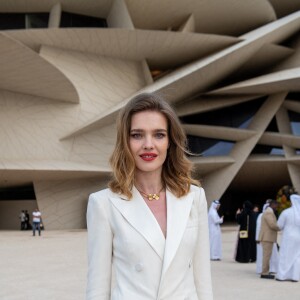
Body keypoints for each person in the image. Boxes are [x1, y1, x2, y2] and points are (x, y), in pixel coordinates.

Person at [86, 93, 213, 300]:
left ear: (170, 141)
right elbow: (97, 288)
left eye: (159, 135)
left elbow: (203, 280)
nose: (148, 144)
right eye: (137, 135)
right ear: (125, 142)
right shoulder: (103, 204)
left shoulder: (194, 197)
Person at [276, 194, 300, 282]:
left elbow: (279, 225)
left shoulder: (286, 212)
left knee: (285, 255)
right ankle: (295, 277)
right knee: (297, 257)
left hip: (288, 237)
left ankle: (282, 276)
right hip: (298, 238)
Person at [255, 200, 279, 274]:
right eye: (276, 205)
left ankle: (267, 270)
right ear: (273, 205)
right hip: (267, 238)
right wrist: (281, 227)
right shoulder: (268, 213)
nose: (277, 207)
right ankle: (264, 272)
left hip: (268, 238)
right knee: (266, 256)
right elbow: (272, 225)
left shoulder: (269, 212)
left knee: (268, 256)